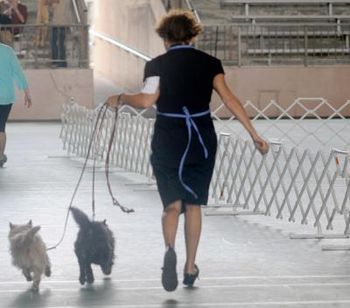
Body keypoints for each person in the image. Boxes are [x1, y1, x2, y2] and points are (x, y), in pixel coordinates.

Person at [106, 9, 269, 292]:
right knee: (193, 205)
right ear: (193, 35)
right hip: (200, 140)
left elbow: (146, 101)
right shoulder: (210, 63)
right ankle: (190, 266)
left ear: (165, 38)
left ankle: (169, 250)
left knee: (171, 205)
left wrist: (120, 98)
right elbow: (229, 99)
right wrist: (254, 134)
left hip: (168, 138)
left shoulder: (156, 65)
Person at [0, 42, 32, 167]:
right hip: (6, 95)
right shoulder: (8, 51)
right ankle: (0, 157)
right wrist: (26, 91)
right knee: (1, 126)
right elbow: (18, 72)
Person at [47, 0, 73, 68]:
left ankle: (59, 62)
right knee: (57, 43)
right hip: (57, 24)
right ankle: (59, 62)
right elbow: (51, 12)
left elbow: (68, 12)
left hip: (60, 24)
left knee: (58, 43)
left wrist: (70, 25)